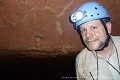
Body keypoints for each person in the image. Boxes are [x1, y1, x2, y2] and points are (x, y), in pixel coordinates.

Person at [69, 1, 120, 80]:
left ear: (108, 28)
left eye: (93, 27)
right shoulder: (81, 60)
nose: (88, 35)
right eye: (83, 30)